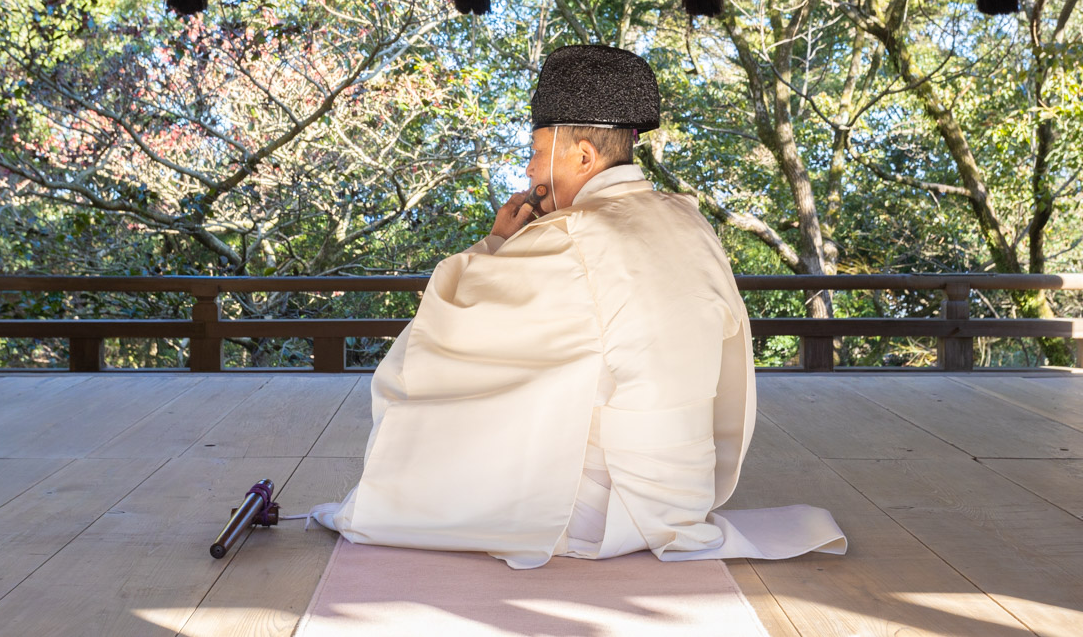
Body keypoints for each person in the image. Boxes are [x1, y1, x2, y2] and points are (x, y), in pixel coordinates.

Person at [309, 44, 846, 568]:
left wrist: (496, 245)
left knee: (449, 404)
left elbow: (449, 333)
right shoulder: (689, 219)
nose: (528, 171)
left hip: (605, 513)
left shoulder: (573, 234)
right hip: (685, 493)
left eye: (537, 152)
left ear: (582, 155)